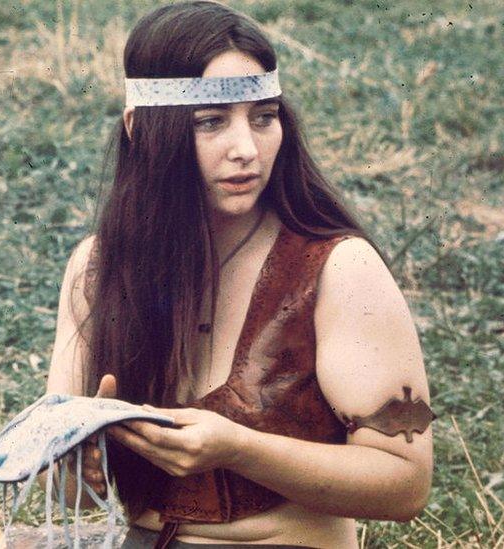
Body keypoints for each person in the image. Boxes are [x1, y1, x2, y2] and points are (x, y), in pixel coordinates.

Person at [43, 2, 435, 548]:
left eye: (263, 116)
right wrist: (74, 468)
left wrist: (240, 448)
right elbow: (71, 493)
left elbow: (405, 485)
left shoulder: (337, 268)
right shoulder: (99, 268)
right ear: (140, 129)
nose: (246, 149)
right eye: (211, 122)